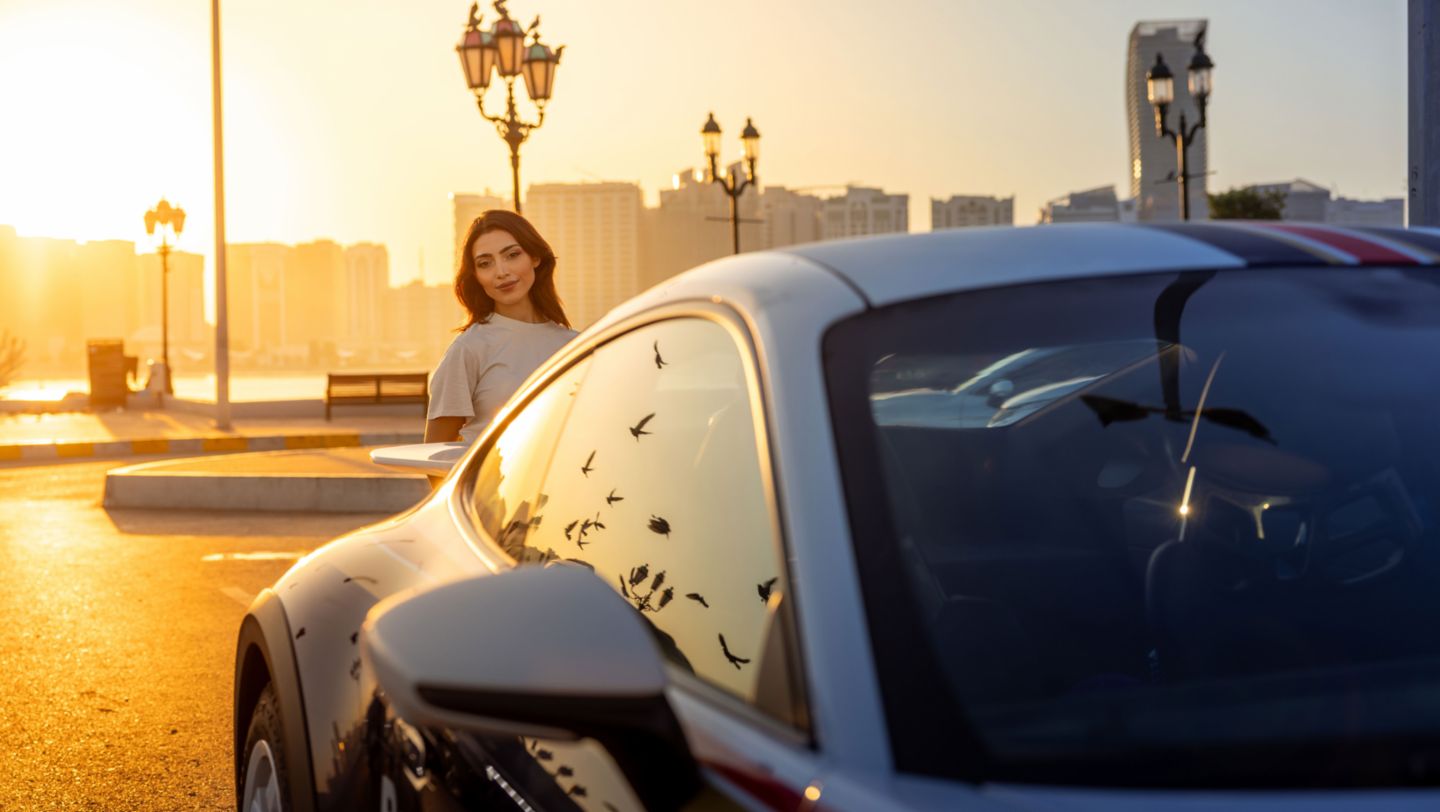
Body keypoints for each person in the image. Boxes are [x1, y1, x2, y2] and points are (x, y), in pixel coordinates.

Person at [425, 210, 577, 444]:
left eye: (512, 255)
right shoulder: (469, 349)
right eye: (485, 263)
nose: (501, 272)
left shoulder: (574, 346)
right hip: (489, 481)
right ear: (476, 275)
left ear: (534, 257)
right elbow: (434, 455)